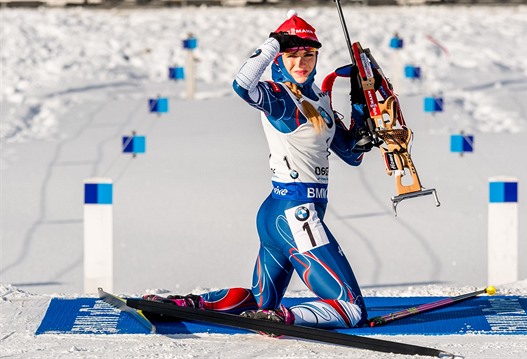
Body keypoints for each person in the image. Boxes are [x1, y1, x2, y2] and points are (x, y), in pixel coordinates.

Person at [144, 11, 372, 329]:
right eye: (292, 55)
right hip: (296, 215)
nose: (301, 63)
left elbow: (352, 153)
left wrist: (361, 100)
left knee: (260, 299)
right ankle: (281, 318)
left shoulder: (317, 98)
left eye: (308, 55)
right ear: (280, 58)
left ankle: (185, 305)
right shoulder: (281, 97)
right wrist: (272, 43)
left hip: (277, 214)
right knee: (351, 308)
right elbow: (242, 86)